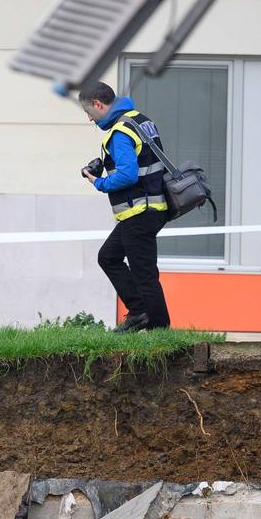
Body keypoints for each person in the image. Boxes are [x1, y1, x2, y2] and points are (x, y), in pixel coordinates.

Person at [77, 82, 171, 332]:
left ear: (99, 104)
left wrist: (98, 181)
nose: (89, 118)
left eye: (89, 111)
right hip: (150, 209)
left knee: (145, 274)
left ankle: (159, 330)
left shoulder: (120, 132)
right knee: (108, 257)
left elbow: (128, 175)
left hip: (138, 211)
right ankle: (140, 312)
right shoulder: (139, 120)